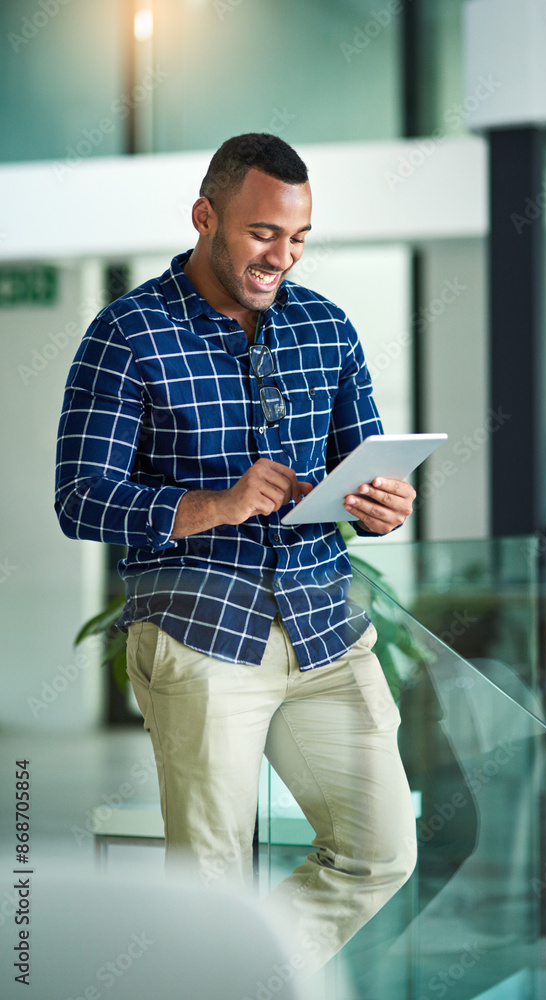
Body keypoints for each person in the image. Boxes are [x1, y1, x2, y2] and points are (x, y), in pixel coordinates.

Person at [55, 133, 417, 972]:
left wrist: (382, 506)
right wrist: (212, 504)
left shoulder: (326, 325)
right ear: (205, 216)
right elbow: (80, 499)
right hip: (202, 633)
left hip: (325, 630)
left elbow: (361, 463)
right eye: (262, 234)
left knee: (380, 851)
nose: (281, 257)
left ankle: (238, 977)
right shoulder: (127, 334)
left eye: (297, 239)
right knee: (208, 889)